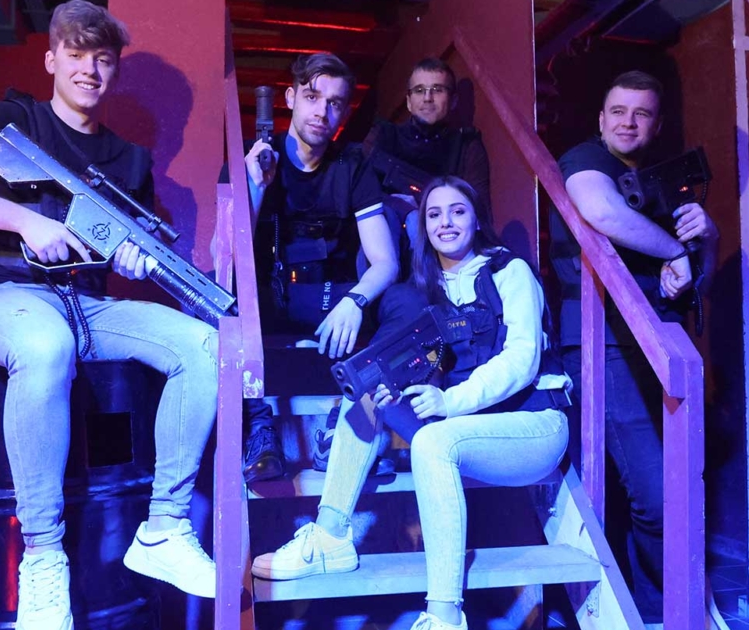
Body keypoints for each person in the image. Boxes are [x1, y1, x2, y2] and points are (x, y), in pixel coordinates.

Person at [0, 2, 219, 626]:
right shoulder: (7, 120)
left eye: (103, 59)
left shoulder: (128, 159)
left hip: (87, 305)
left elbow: (119, 248)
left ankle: (165, 527)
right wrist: (24, 220)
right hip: (0, 297)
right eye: (76, 55)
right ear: (51, 60)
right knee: (46, 345)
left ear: (115, 71)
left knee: (204, 344)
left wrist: (133, 261)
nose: (89, 69)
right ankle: (44, 559)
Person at [251, 177, 571, 630]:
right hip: (469, 428)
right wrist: (399, 393)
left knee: (433, 443)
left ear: (476, 218)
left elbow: (521, 361)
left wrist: (448, 401)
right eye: (434, 214)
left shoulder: (509, 271)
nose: (446, 222)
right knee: (367, 390)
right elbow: (434, 368)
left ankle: (444, 615)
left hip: (532, 427)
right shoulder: (428, 288)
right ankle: (331, 535)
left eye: (457, 211)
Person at [555, 70, 718, 627]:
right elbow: (601, 212)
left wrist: (707, 238)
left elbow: (698, 280)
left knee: (665, 491)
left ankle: (655, 610)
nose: (628, 122)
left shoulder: (658, 181)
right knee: (655, 491)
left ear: (657, 124)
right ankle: (667, 610)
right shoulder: (585, 159)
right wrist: (675, 250)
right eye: (619, 111)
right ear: (601, 119)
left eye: (641, 113)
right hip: (606, 344)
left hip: (662, 342)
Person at [240, 52, 399, 481]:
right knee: (218, 296)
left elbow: (385, 262)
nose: (321, 111)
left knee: (402, 302)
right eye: (312, 97)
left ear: (344, 112)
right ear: (290, 98)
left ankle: (345, 428)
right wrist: (254, 186)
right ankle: (258, 429)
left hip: (330, 299)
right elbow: (224, 254)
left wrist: (355, 301)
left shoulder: (352, 166)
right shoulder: (252, 158)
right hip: (266, 296)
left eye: (334, 103)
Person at [361, 57, 491, 253]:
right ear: (408, 101)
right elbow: (359, 193)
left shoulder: (465, 146)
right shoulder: (384, 136)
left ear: (453, 100)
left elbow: (477, 210)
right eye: (419, 90)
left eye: (437, 90)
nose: (427, 98)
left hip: (445, 246)